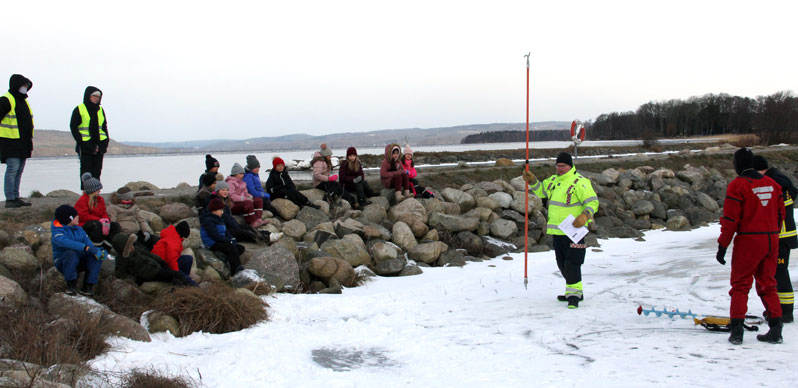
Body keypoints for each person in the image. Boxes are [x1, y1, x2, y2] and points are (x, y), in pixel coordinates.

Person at [717, 148, 786, 345]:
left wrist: (722, 246)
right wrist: (773, 234)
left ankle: (737, 331)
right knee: (768, 285)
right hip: (771, 239)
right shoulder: (773, 184)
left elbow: (730, 220)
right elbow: (781, 214)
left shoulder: (738, 185)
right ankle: (776, 329)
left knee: (740, 286)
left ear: (737, 164)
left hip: (749, 241)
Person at [523, 151, 598, 309]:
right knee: (562, 264)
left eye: (563, 166)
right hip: (558, 232)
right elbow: (542, 191)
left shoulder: (580, 182)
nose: (560, 168)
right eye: (558, 166)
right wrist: (533, 181)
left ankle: (574, 296)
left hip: (575, 232)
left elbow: (592, 202)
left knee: (573, 263)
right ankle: (574, 291)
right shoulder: (553, 181)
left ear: (570, 165)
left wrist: (586, 215)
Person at [754, 155, 797, 324]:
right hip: (783, 235)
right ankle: (779, 309)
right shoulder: (780, 181)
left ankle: (785, 312)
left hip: (780, 236)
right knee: (777, 273)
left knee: (779, 273)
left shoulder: (774, 184)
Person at [51, 205, 107, 297]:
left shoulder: (80, 230)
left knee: (95, 256)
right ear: (69, 218)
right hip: (63, 262)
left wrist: (99, 252)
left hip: (79, 260)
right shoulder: (57, 232)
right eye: (75, 215)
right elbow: (66, 242)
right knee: (71, 253)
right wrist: (84, 248)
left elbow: (89, 245)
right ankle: (71, 285)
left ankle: (87, 287)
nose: (78, 217)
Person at [111, 232, 197, 287]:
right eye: (129, 246)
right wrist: (135, 280)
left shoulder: (136, 249)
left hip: (157, 266)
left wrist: (162, 262)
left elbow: (149, 255)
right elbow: (119, 274)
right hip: (152, 274)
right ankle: (194, 288)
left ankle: (183, 284)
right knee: (177, 274)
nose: (132, 247)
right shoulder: (122, 260)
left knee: (186, 260)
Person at [208, 180, 281, 243]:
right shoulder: (216, 202)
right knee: (245, 233)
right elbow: (225, 218)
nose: (225, 192)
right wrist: (236, 226)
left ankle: (269, 234)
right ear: (217, 191)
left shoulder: (225, 201)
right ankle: (265, 238)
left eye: (227, 190)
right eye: (223, 190)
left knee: (247, 227)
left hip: (228, 225)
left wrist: (236, 225)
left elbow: (228, 217)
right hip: (223, 228)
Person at [0, 74, 34, 208]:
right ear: (16, 85)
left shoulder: (24, 101)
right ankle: (10, 198)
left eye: (26, 86)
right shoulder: (6, 100)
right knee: (12, 169)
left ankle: (15, 196)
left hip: (23, 142)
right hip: (10, 141)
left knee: (19, 170)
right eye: (23, 85)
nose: (25, 88)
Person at [69, 86, 109, 190]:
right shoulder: (79, 109)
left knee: (97, 170)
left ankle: (96, 192)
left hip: (100, 145)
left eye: (99, 97)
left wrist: (105, 142)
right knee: (86, 171)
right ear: (88, 96)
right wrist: (82, 142)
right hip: (85, 145)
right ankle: (85, 193)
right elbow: (74, 127)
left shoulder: (100, 110)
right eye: (94, 96)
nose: (97, 98)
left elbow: (104, 127)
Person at [201, 198, 246, 275]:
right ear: (214, 210)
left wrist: (232, 238)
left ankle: (227, 258)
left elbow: (226, 232)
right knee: (231, 247)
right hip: (212, 243)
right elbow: (214, 236)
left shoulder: (219, 218)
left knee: (240, 248)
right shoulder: (208, 220)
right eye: (220, 210)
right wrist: (228, 240)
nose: (222, 212)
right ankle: (235, 270)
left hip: (220, 240)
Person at [74, 172, 120, 241]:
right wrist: (99, 220)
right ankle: (97, 245)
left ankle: (109, 243)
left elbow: (103, 212)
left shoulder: (100, 199)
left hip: (98, 222)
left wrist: (106, 220)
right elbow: (83, 216)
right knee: (96, 225)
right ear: (92, 191)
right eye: (98, 189)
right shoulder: (83, 200)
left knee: (115, 225)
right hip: (85, 225)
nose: (100, 191)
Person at [226, 162, 265, 228]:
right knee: (248, 203)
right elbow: (233, 197)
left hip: (243, 202)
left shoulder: (242, 182)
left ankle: (258, 219)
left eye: (243, 173)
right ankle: (251, 222)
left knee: (258, 200)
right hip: (234, 205)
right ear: (235, 174)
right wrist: (244, 198)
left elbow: (245, 192)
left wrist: (249, 196)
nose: (242, 175)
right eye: (240, 174)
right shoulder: (230, 183)